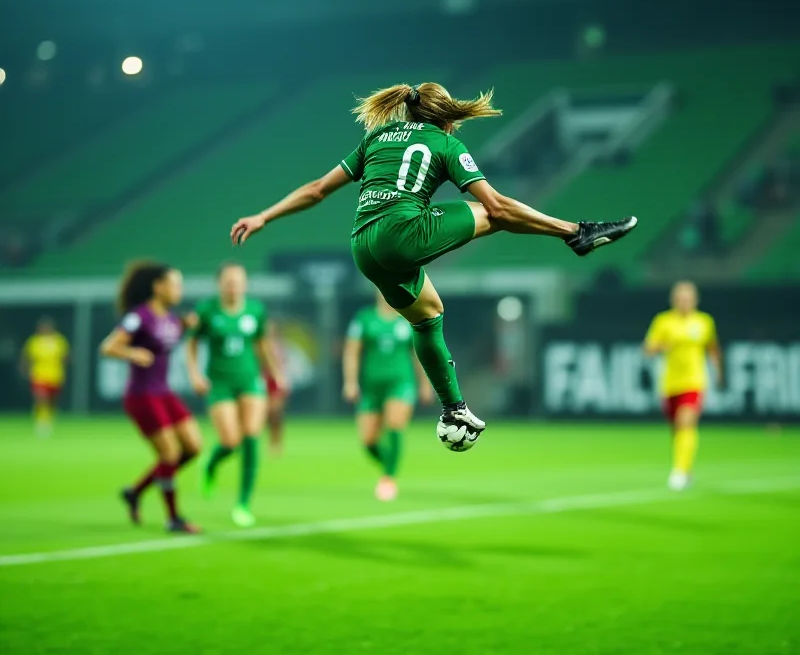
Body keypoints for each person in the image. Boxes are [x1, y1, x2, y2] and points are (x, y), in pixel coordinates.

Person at [230, 83, 637, 451]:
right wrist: (564, 227)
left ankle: (454, 408)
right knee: (489, 212)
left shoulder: (376, 138)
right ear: (447, 118)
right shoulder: (445, 146)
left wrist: (265, 216)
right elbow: (497, 207)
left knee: (428, 315)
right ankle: (577, 233)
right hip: (403, 232)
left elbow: (318, 189)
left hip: (363, 247)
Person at [100, 262, 202, 533]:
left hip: (164, 392)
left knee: (193, 447)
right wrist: (132, 353)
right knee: (169, 453)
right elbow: (108, 347)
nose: (179, 289)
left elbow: (166, 340)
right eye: (175, 284)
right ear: (158, 287)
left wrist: (184, 326)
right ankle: (173, 518)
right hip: (142, 395)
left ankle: (135, 491)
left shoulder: (169, 318)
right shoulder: (139, 316)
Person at [186, 262, 286, 527]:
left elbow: (262, 343)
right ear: (219, 284)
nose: (233, 286)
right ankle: (211, 464)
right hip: (220, 383)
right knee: (230, 441)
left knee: (252, 436)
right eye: (228, 282)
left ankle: (243, 503)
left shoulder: (255, 310)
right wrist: (195, 374)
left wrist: (274, 372)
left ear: (245, 284)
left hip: (251, 380)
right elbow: (192, 343)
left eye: (238, 281)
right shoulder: (207, 311)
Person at [343, 291, 433, 501]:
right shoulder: (364, 318)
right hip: (371, 386)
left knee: (395, 424)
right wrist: (350, 382)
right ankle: (389, 464)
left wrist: (425, 384)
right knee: (368, 441)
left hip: (401, 383)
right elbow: (352, 351)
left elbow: (418, 354)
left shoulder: (408, 318)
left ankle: (389, 478)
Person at [643, 281, 722, 491]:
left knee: (686, 423)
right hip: (669, 384)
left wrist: (718, 372)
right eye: (680, 298)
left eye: (688, 298)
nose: (684, 302)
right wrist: (661, 345)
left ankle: (679, 472)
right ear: (674, 300)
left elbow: (712, 348)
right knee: (677, 430)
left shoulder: (704, 321)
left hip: (694, 381)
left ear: (695, 300)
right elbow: (648, 349)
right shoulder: (663, 321)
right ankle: (686, 469)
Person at [20, 317, 70, 436]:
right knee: (41, 398)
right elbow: (27, 357)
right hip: (39, 374)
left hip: (55, 375)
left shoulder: (59, 340)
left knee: (52, 401)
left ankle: (50, 419)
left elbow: (66, 356)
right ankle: (41, 423)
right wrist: (24, 369)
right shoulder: (34, 341)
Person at [264, 319, 290, 456]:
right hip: (262, 381)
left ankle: (276, 442)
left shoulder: (279, 346)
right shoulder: (258, 344)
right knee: (263, 414)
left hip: (276, 382)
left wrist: (282, 379)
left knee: (276, 414)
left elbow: (283, 365)